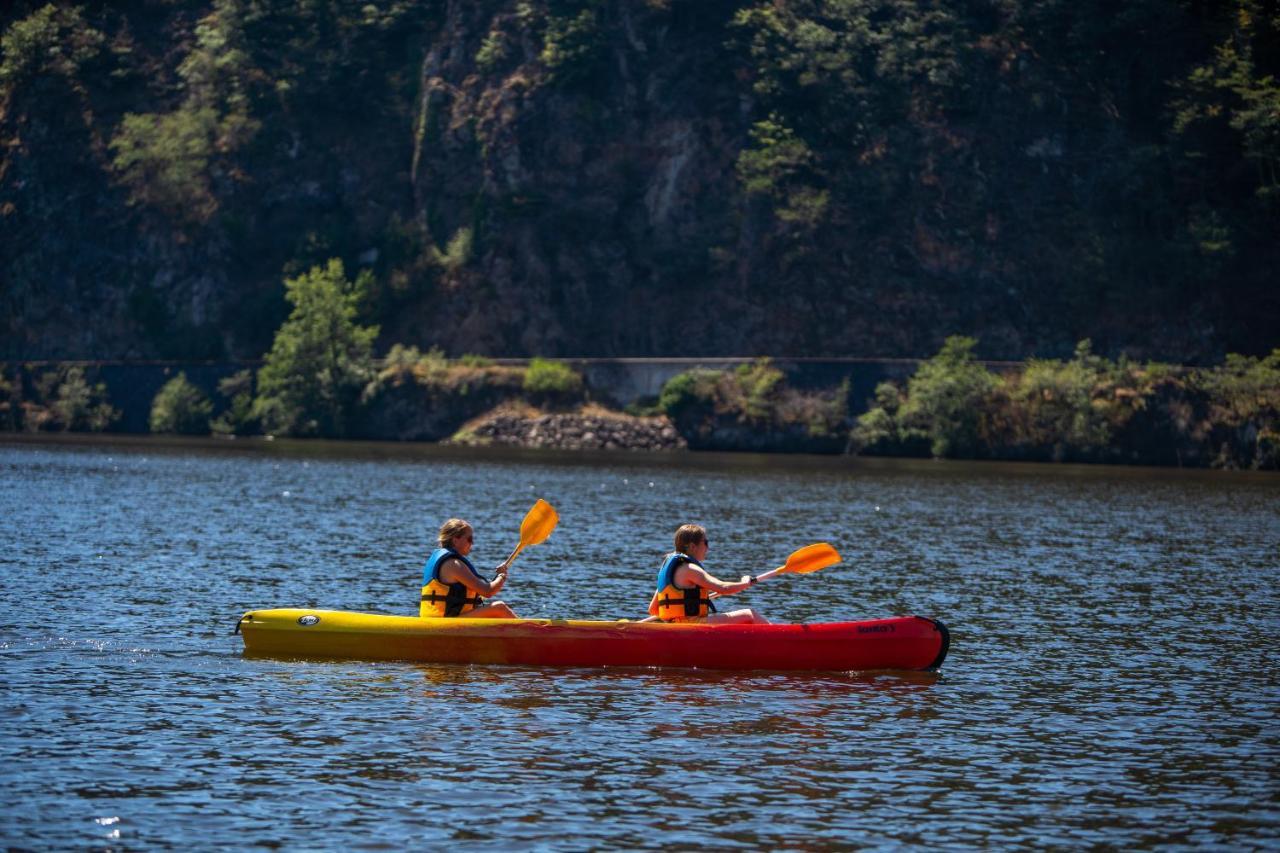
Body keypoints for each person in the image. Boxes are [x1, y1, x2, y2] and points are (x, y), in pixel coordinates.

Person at [647, 524, 769, 624]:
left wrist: (675, 619)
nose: (707, 548)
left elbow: (653, 609)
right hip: (692, 626)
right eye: (705, 542)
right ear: (693, 546)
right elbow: (723, 588)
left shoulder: (670, 571)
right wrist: (745, 582)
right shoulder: (690, 568)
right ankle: (782, 637)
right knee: (749, 614)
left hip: (676, 627)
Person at [420, 518, 517, 618]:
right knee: (499, 607)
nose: (472, 543)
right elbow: (488, 591)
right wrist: (502, 576)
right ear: (455, 540)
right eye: (469, 539)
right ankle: (531, 632)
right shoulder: (454, 564)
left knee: (493, 614)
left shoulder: (447, 561)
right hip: (446, 622)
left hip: (440, 618)